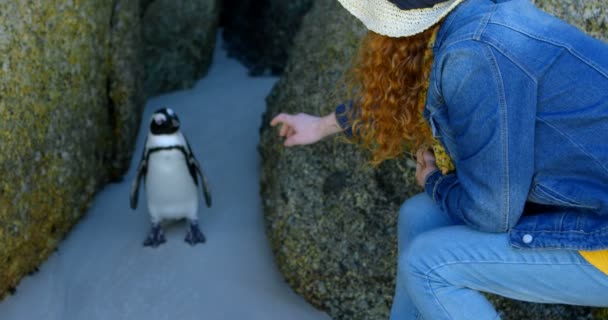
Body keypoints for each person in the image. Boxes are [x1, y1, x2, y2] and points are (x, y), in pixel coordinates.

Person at [270, 0, 608, 319]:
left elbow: (492, 213)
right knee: (418, 216)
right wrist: (323, 124)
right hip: (592, 202)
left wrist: (435, 182)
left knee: (426, 265)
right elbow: (408, 94)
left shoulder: (474, 54)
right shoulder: (484, 15)